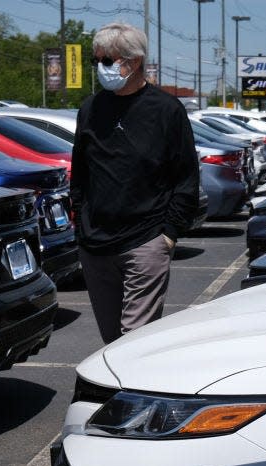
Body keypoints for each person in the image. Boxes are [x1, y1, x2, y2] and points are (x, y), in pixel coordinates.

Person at [70, 22, 200, 344]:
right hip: (96, 244)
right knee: (111, 340)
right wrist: (80, 222)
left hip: (145, 241)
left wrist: (168, 235)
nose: (101, 68)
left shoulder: (167, 111)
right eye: (95, 61)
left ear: (134, 61)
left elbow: (185, 176)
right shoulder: (90, 109)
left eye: (108, 61)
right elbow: (80, 172)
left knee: (133, 341)